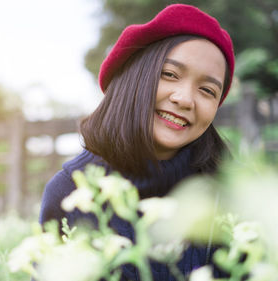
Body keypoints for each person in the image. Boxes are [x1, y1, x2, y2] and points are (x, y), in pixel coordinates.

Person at [39, 3, 235, 280]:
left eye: (207, 90)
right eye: (170, 74)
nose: (185, 99)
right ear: (134, 78)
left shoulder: (226, 194)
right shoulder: (70, 192)